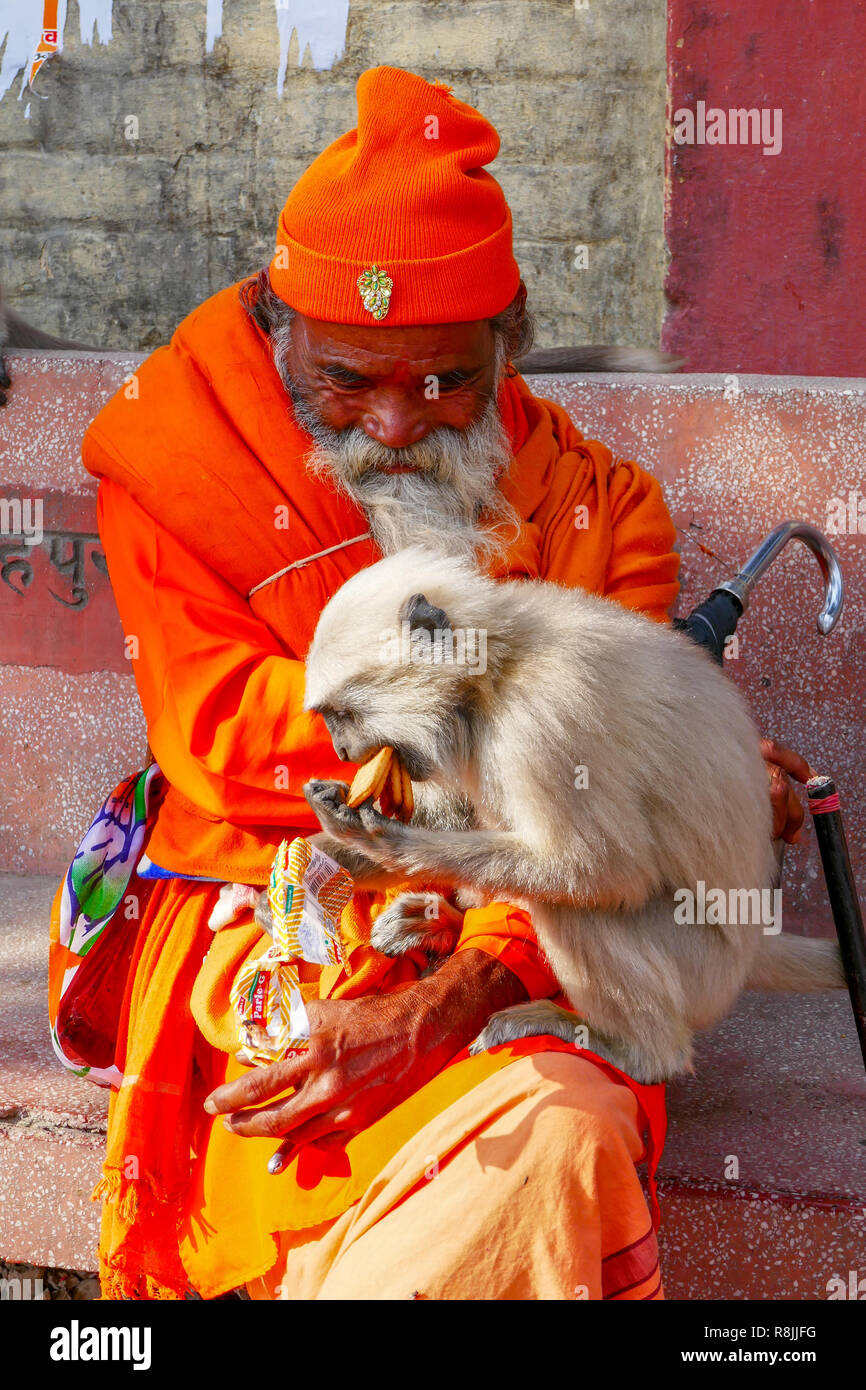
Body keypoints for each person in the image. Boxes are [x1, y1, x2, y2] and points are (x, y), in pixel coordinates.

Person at [49, 64, 808, 1301]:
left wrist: (454, 996)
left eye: (444, 382)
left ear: (507, 349)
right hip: (270, 915)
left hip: (525, 949)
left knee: (554, 1132)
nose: (394, 426)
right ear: (276, 325)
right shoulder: (171, 462)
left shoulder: (599, 511)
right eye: (346, 379)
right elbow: (231, 744)